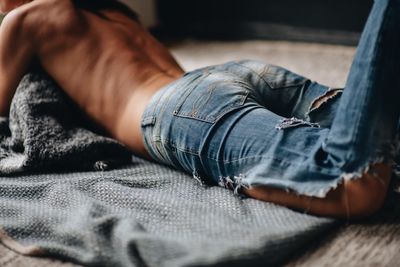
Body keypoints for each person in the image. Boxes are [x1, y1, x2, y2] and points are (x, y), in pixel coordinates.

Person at [0, 0, 398, 219]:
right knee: (384, 136)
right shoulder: (114, 11)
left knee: (352, 186)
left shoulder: (26, 19)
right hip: (231, 74)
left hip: (181, 107)